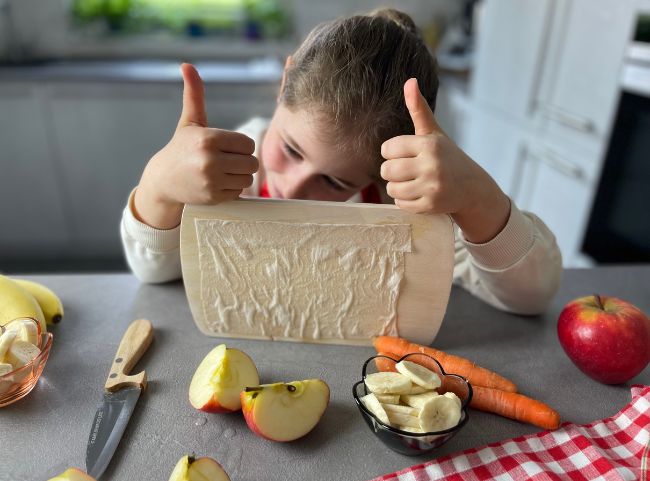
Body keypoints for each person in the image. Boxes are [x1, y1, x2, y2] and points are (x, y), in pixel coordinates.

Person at [121, 8, 562, 315]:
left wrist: (478, 199)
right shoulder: (221, 169)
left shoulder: (399, 209)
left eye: (334, 183)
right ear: (283, 83)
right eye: (291, 150)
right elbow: (154, 272)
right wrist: (159, 184)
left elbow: (532, 297)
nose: (293, 188)